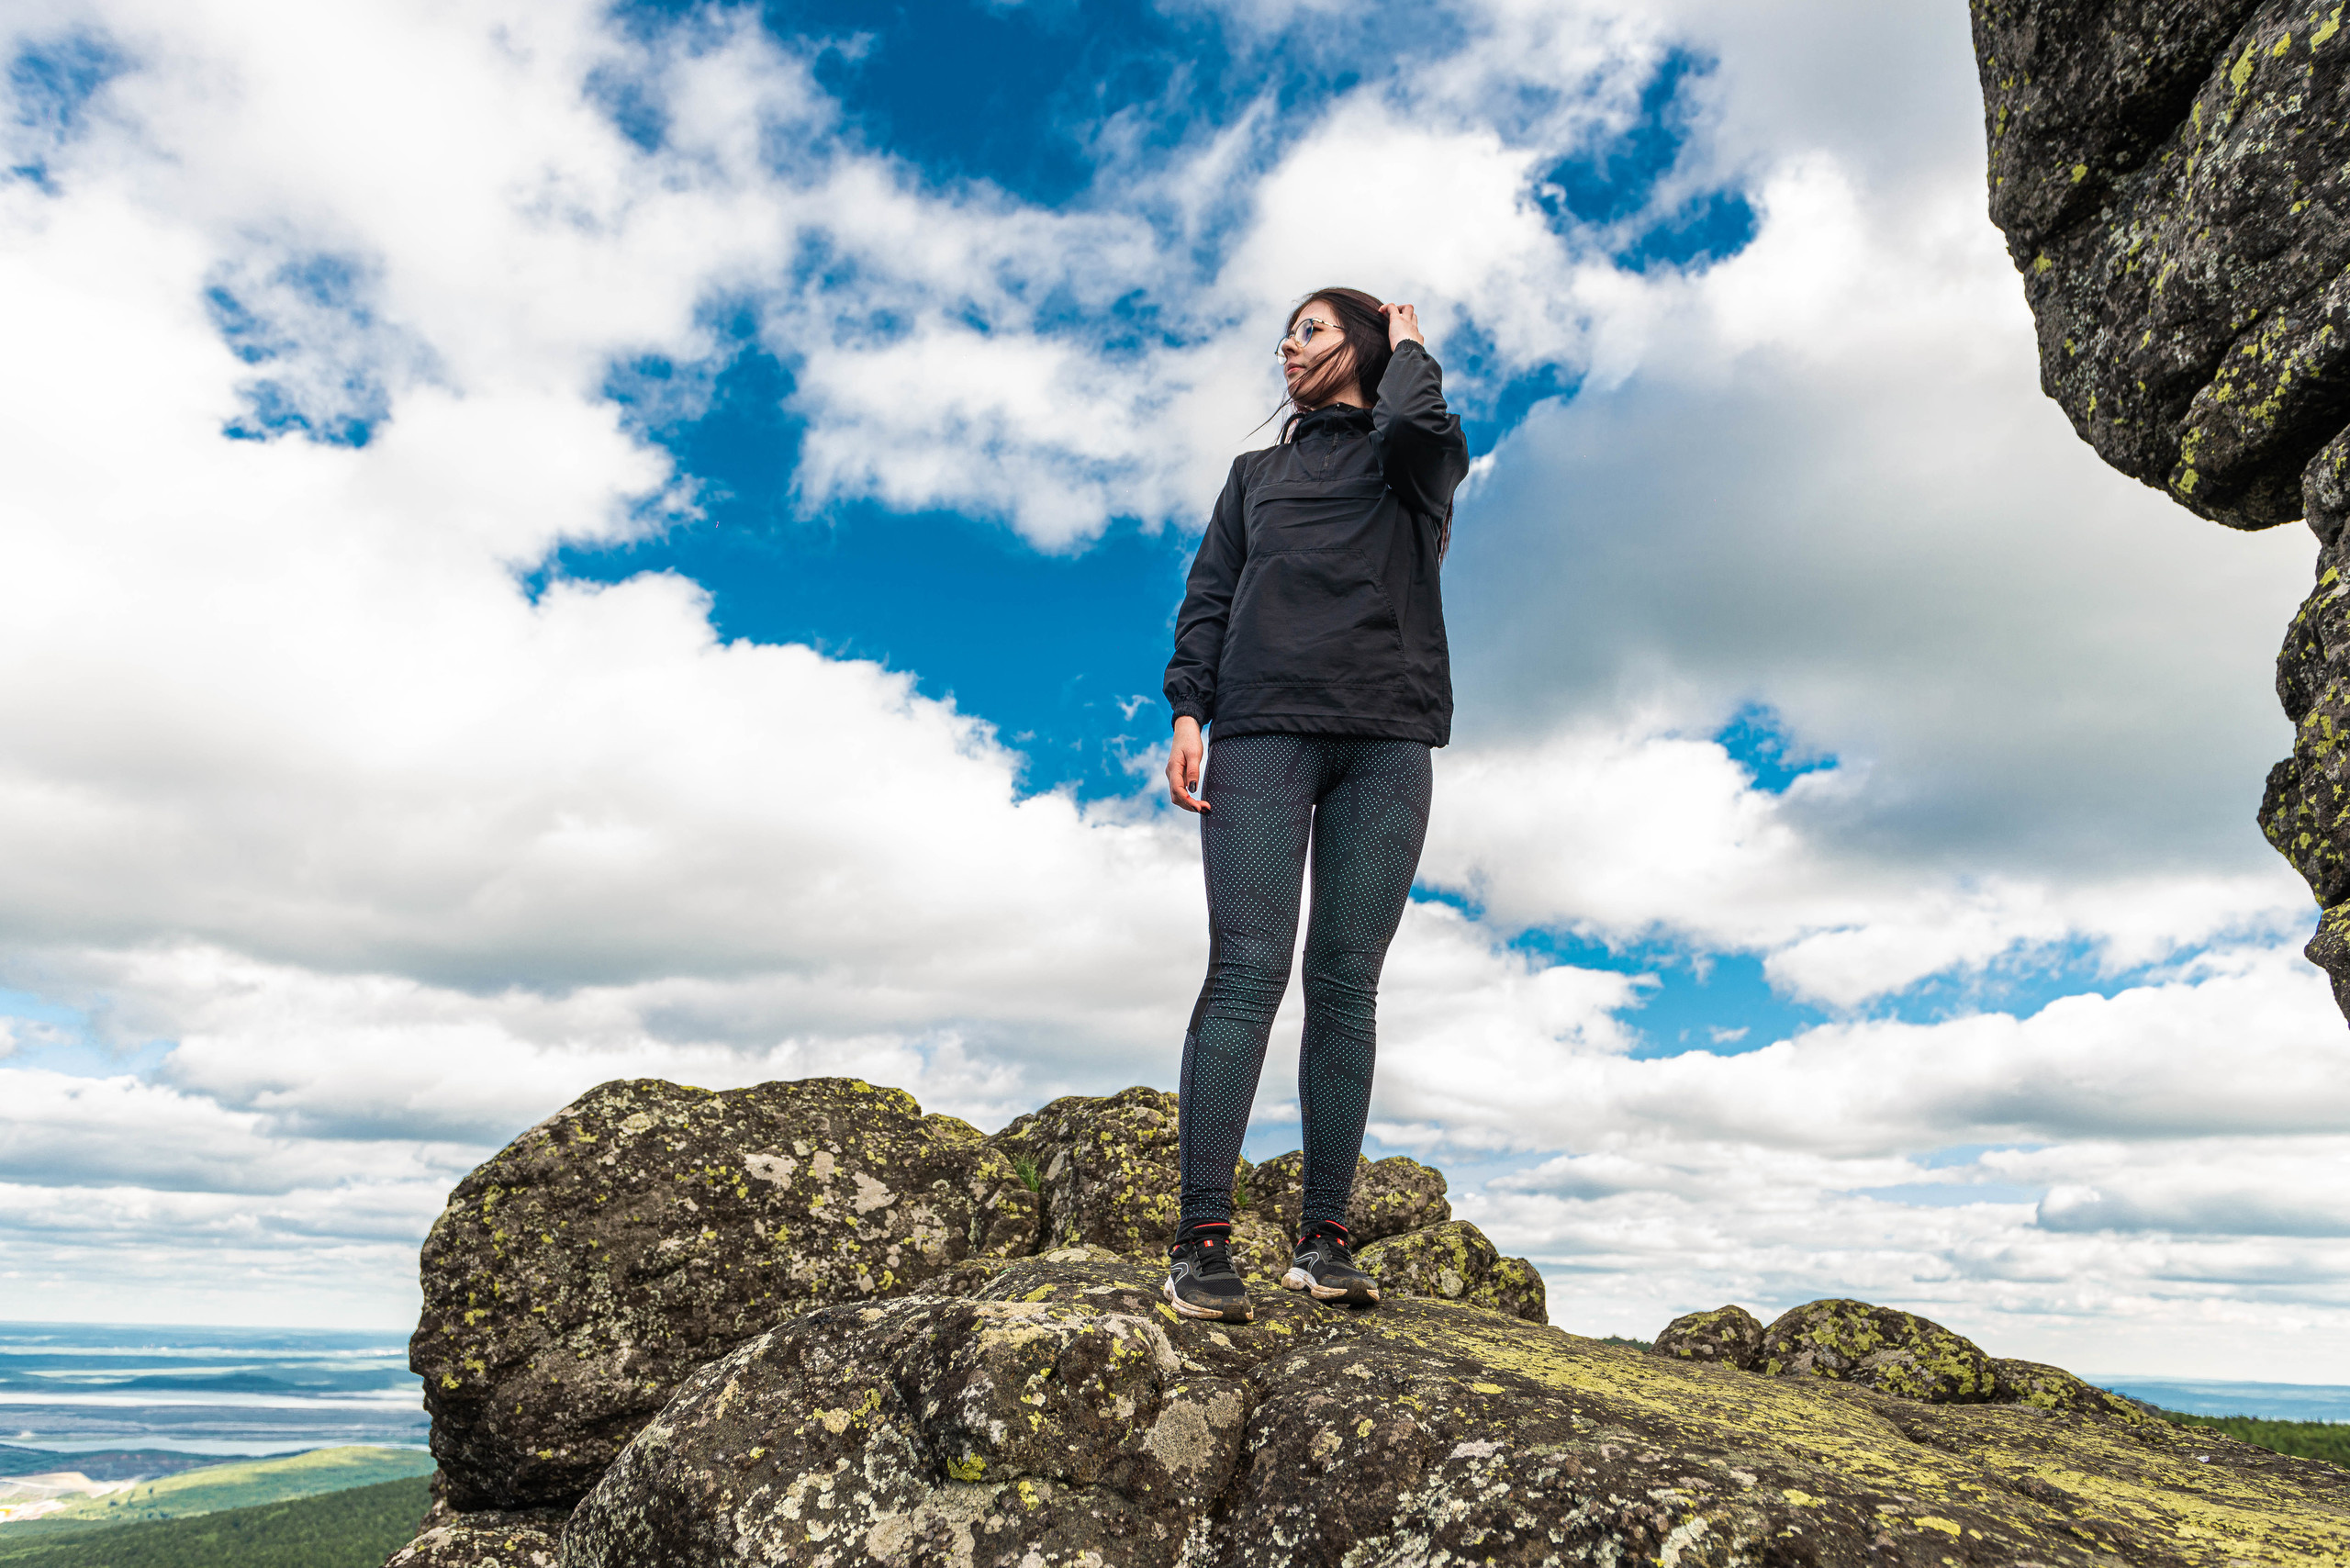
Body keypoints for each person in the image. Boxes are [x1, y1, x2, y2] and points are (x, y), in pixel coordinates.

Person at [1159, 286, 1470, 1324]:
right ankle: (1201, 1240)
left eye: (1311, 330)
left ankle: (1323, 1239)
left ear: (1367, 348)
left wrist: (1412, 346)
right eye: (1286, 335)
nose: (1287, 348)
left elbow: (1423, 422)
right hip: (1260, 730)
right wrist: (1187, 710)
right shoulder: (1254, 478)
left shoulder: (1410, 463)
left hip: (1387, 737)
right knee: (1247, 970)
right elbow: (1209, 595)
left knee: (1346, 984)